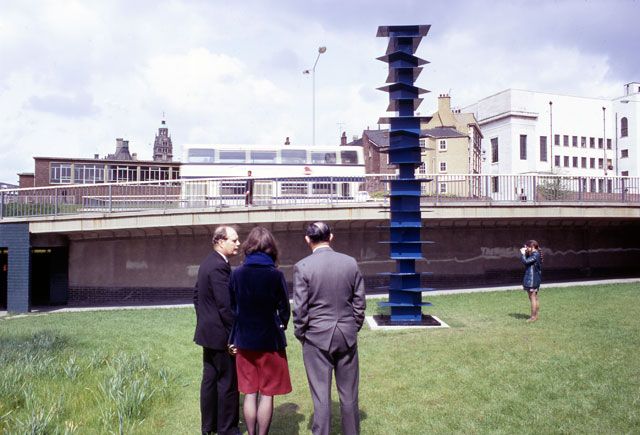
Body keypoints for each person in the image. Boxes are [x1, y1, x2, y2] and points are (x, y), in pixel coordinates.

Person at [293, 222, 366, 435]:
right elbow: (359, 301)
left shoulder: (303, 266)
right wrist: (353, 326)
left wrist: (302, 333)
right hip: (346, 334)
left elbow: (300, 308)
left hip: (316, 336)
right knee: (349, 395)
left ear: (308, 239)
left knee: (321, 396)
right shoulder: (350, 263)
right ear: (331, 237)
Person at [228, 226, 292, 435]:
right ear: (270, 249)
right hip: (270, 341)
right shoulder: (275, 275)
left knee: (248, 393)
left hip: (244, 340)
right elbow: (284, 307)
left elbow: (232, 308)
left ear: (249, 247)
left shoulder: (236, 274)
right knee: (267, 394)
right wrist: (282, 322)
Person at [194, 226, 242, 435]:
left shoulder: (207, 263)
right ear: (221, 242)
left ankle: (209, 426)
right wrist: (235, 336)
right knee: (228, 382)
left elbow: (196, 297)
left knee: (210, 381)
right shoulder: (219, 267)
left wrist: (206, 320)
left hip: (208, 334)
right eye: (234, 240)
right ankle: (227, 428)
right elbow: (226, 305)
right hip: (223, 337)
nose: (238, 244)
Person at [520, 239, 543, 323]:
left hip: (532, 279)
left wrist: (522, 254)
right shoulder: (536, 254)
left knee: (532, 298)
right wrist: (526, 253)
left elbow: (525, 262)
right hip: (534, 278)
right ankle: (535, 316)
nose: (527, 249)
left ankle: (533, 317)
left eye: (528, 247)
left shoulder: (535, 254)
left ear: (532, 247)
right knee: (535, 298)